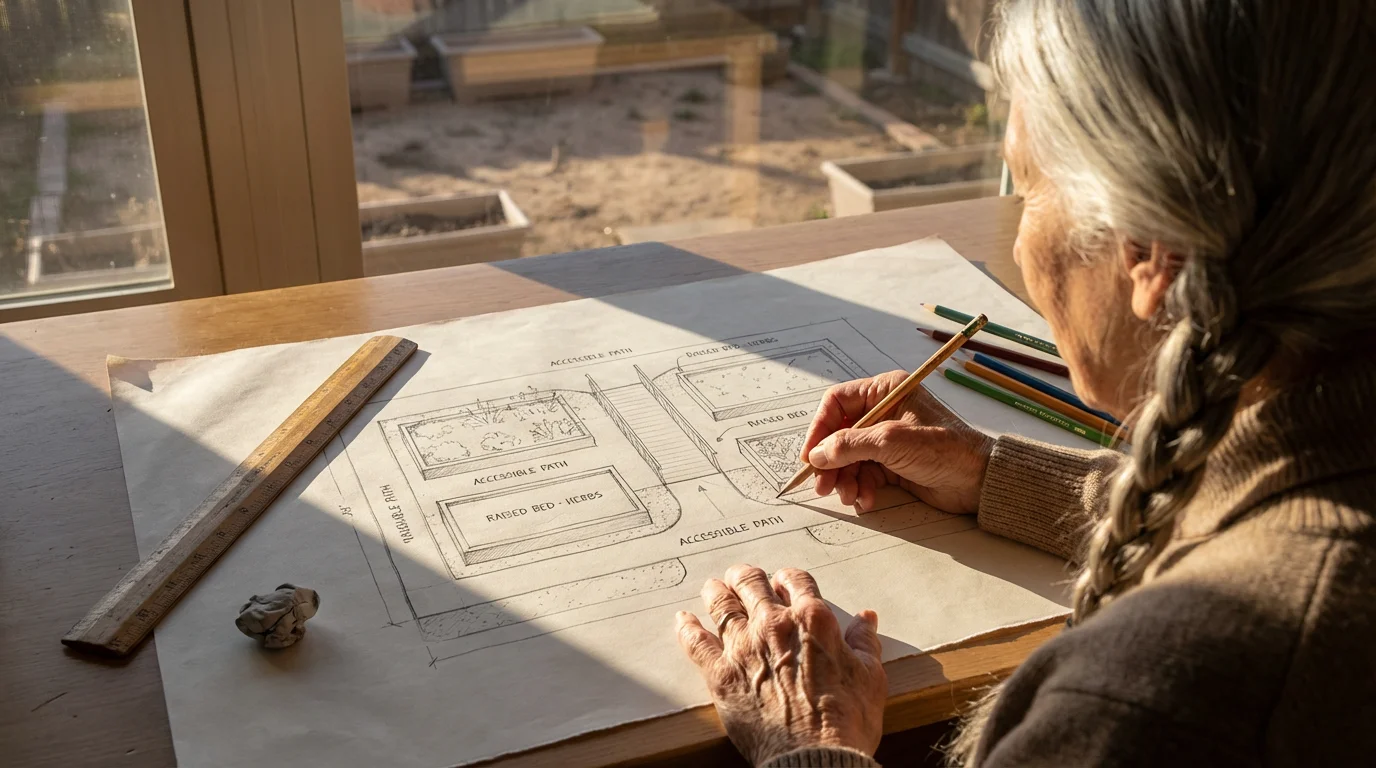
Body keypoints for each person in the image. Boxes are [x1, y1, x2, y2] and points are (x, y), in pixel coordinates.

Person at [672, 1, 1376, 765]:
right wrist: (991, 473)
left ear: (1152, 254)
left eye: (1031, 188)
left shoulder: (1148, 699)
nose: (1017, 241)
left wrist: (811, 743)